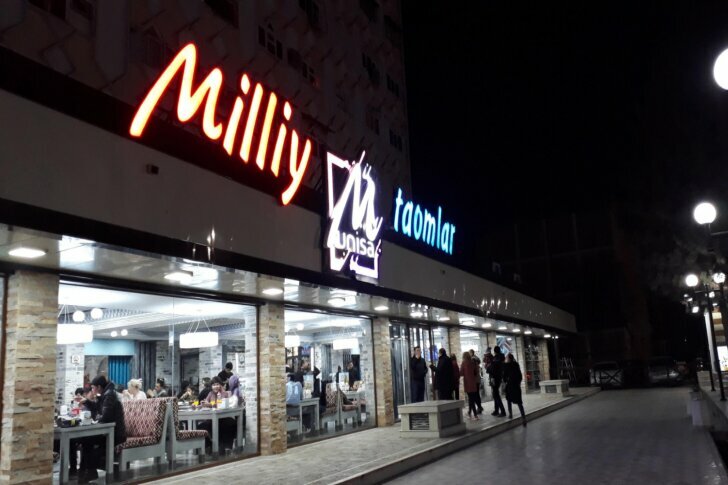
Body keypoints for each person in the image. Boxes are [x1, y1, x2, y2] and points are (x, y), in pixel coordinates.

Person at [78, 376, 126, 483]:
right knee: (86, 440)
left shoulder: (109, 395)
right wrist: (87, 402)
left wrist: (95, 420)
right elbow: (99, 408)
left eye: (93, 387)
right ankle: (86, 472)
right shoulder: (106, 394)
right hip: (110, 431)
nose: (92, 390)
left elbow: (105, 417)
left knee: (88, 440)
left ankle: (88, 472)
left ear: (99, 387)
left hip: (116, 434)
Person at [504, 353, 526, 425]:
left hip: (510, 385)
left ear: (508, 358)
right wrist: (518, 382)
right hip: (516, 386)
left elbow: (504, 376)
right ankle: (523, 417)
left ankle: (510, 414)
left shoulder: (507, 365)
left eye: (507, 358)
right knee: (519, 402)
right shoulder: (516, 364)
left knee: (509, 400)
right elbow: (520, 376)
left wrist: (506, 381)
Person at [487, 346, 506, 417]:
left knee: (496, 395)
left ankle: (502, 411)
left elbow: (493, 368)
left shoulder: (497, 358)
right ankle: (496, 410)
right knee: (495, 394)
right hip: (497, 378)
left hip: (495, 378)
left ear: (495, 351)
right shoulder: (500, 357)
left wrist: (489, 367)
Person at [461, 352, 480, 420]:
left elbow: (461, 373)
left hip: (467, 383)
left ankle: (475, 415)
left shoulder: (464, 363)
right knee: (471, 398)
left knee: (471, 399)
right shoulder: (473, 362)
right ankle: (470, 413)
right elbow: (476, 371)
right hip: (473, 383)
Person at [469, 349, 484, 414]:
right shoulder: (477, 362)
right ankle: (479, 407)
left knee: (475, 395)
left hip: (475, 381)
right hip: (477, 380)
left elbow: (473, 374)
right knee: (476, 394)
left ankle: (479, 407)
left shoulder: (474, 361)